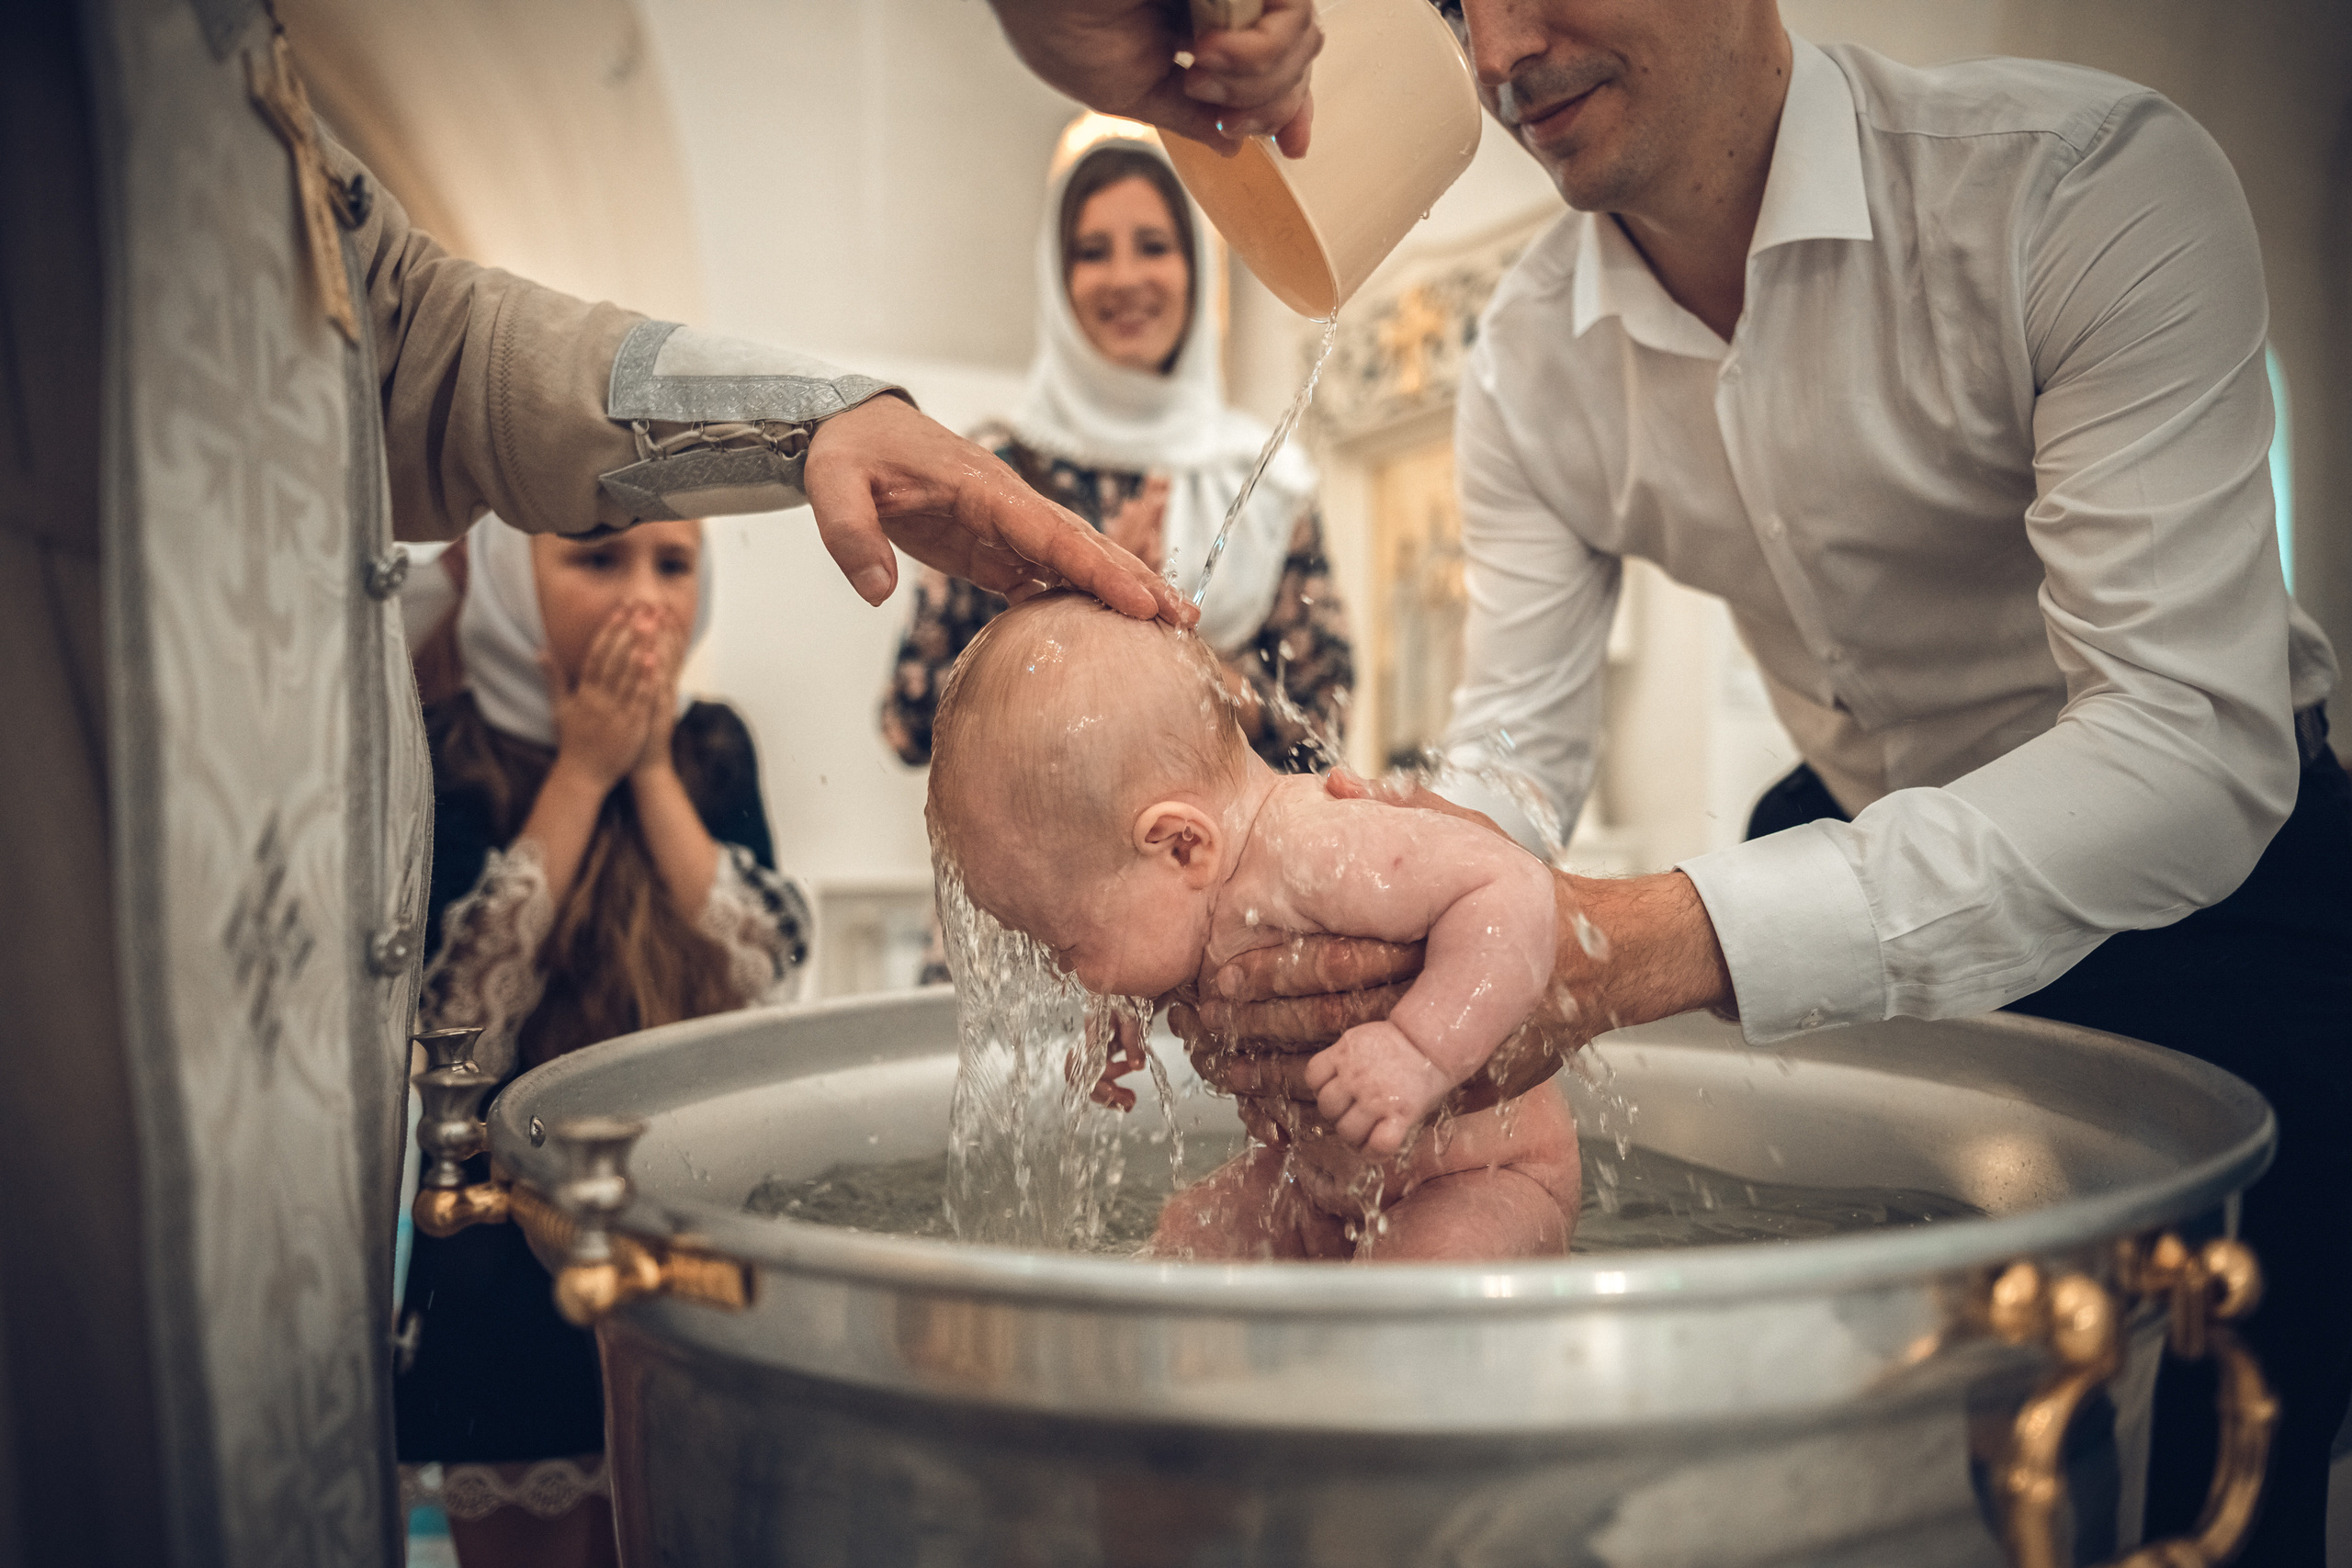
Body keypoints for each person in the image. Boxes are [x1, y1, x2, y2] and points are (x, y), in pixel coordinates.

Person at [1175, 2, 2351, 1560]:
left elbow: (2185, 740)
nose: (1502, 52)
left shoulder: (2079, 186)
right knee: (1900, 1474)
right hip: (1852, 864)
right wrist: (1371, 908)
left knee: (2208, 1481)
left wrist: (1631, 942)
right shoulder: (1531, 353)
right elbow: (1514, 753)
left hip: (2230, 892)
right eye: (1457, 1)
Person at [927, 592, 1577, 1262]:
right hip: (1321, 1187)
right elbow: (1158, 937)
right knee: (1188, 1238)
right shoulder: (1194, 894)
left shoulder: (1316, 847)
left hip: (1481, 1177)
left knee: (1414, 1282)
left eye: (1068, 947)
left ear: (1181, 845)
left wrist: (1418, 1051)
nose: (1063, 970)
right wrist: (1122, 1010)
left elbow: (1513, 888)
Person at [394, 515, 807, 1566]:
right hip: (503, 1252)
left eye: (674, 564)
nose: (644, 599)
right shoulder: (447, 749)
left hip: (676, 1224)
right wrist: (581, 772)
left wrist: (650, 768)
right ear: (508, 575)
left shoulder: (713, 748)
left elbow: (764, 976)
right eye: (597, 558)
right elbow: (458, 1016)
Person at [883, 132, 1353, 780]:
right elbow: (908, 723)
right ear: (1058, 278)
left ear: (1197, 269)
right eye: (1093, 253)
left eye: (1154, 247)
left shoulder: (1268, 480)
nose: (1126, 278)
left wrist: (1176, 651)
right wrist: (1074, 620)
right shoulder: (997, 473)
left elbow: (1323, 731)